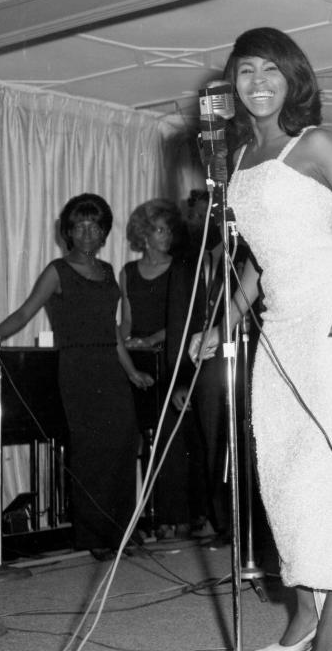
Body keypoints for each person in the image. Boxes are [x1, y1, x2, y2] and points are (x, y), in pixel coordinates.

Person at [189, 27, 332, 651]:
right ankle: (302, 603)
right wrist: (223, 324)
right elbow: (256, 262)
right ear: (232, 84)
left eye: (271, 70)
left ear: (292, 78)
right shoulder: (237, 162)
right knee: (278, 460)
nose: (258, 83)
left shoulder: (315, 143)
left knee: (330, 461)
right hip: (280, 320)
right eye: (246, 71)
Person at [0, 193, 153, 560]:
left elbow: (112, 330)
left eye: (95, 225)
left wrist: (131, 372)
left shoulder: (108, 271)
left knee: (121, 447)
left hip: (110, 370)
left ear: (104, 232)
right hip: (78, 368)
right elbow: (23, 315)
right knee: (91, 452)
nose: (87, 232)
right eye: (80, 225)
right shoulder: (57, 270)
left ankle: (120, 531)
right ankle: (95, 537)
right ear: (68, 231)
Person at [120, 198, 192, 540]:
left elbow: (183, 321)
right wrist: (126, 345)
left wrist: (150, 341)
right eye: (160, 230)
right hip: (138, 358)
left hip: (169, 357)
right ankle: (137, 518)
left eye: (168, 230)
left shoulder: (180, 269)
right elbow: (127, 320)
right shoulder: (128, 272)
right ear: (144, 235)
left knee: (169, 440)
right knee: (132, 436)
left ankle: (173, 517)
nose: (166, 237)